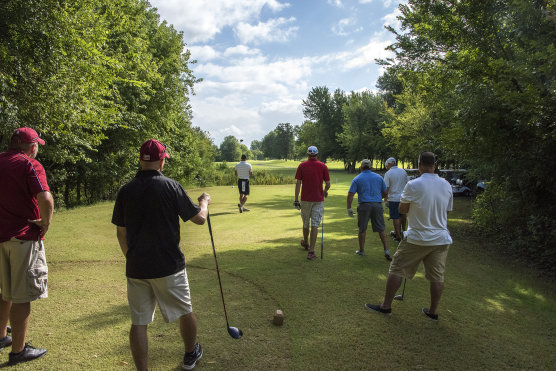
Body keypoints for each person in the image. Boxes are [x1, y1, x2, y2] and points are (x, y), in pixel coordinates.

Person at [112, 139, 210, 370]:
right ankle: (190, 353)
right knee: (185, 311)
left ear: (140, 160)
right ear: (162, 160)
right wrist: (204, 202)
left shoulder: (126, 190)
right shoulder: (171, 186)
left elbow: (120, 233)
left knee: (139, 322)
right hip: (168, 266)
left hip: (137, 267)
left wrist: (131, 257)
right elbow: (200, 218)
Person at [365, 152, 453, 321]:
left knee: (397, 268)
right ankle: (432, 312)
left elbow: (402, 210)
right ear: (434, 165)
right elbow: (447, 210)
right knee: (437, 276)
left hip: (417, 237)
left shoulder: (414, 184)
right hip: (441, 238)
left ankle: (386, 306)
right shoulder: (446, 184)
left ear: (420, 165)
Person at [0, 127, 53, 365]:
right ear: (32, 147)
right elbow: (45, 198)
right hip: (23, 237)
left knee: (4, 290)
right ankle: (19, 351)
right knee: (21, 295)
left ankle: (2, 336)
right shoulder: (29, 164)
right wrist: (45, 223)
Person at [346, 159, 391, 261]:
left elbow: (350, 195)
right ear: (371, 167)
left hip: (364, 205)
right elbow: (385, 192)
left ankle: (362, 250)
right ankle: (386, 250)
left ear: (361, 167)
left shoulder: (357, 178)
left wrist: (349, 208)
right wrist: (380, 198)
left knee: (362, 229)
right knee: (381, 229)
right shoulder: (379, 178)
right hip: (377, 205)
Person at [294, 146, 330, 260]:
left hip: (305, 199)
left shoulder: (302, 166)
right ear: (317, 154)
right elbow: (328, 184)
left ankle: (306, 242)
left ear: (308, 154)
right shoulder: (323, 166)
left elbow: (298, 183)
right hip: (318, 200)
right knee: (315, 224)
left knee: (305, 223)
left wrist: (296, 199)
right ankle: (311, 251)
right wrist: (324, 191)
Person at [384, 157, 409, 242]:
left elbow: (386, 189)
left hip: (394, 198)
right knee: (403, 215)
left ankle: (398, 236)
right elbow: (407, 184)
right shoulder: (403, 171)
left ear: (388, 164)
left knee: (395, 217)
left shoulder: (388, 173)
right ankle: (403, 232)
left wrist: (385, 199)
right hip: (403, 198)